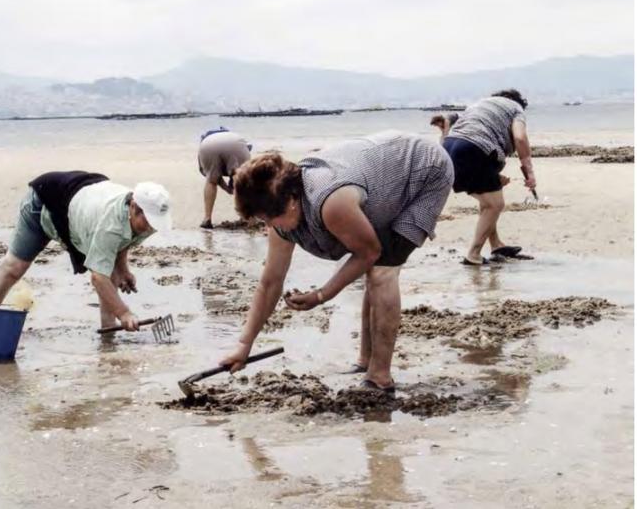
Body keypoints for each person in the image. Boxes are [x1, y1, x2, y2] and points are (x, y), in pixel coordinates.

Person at [219, 130, 454, 393]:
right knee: (373, 271)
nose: (269, 226)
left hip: (424, 168)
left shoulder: (330, 202)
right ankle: (366, 361)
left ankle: (380, 376)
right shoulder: (279, 215)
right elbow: (270, 282)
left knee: (381, 272)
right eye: (263, 220)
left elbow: (368, 252)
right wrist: (244, 345)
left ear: (293, 202)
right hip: (379, 176)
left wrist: (322, 295)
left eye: (270, 219)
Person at [0, 171, 172, 331]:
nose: (150, 228)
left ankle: (108, 334)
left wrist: (122, 268)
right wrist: (124, 313)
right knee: (15, 267)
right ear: (133, 207)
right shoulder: (110, 225)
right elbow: (98, 278)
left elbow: (122, 239)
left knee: (110, 271)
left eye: (155, 223)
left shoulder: (144, 220)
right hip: (46, 201)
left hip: (80, 198)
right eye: (148, 221)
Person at [439, 89, 537, 265]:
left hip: (449, 148)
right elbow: (520, 138)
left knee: (488, 201)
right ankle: (473, 254)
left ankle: (496, 244)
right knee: (495, 204)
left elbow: (454, 122)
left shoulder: (480, 104)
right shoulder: (516, 109)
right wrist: (529, 172)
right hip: (475, 149)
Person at [197, 128, 251, 228]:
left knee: (210, 181)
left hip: (207, 145)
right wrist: (232, 185)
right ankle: (249, 217)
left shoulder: (204, 142)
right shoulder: (233, 135)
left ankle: (207, 219)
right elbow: (248, 150)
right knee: (242, 179)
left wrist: (226, 188)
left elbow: (212, 178)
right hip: (235, 143)